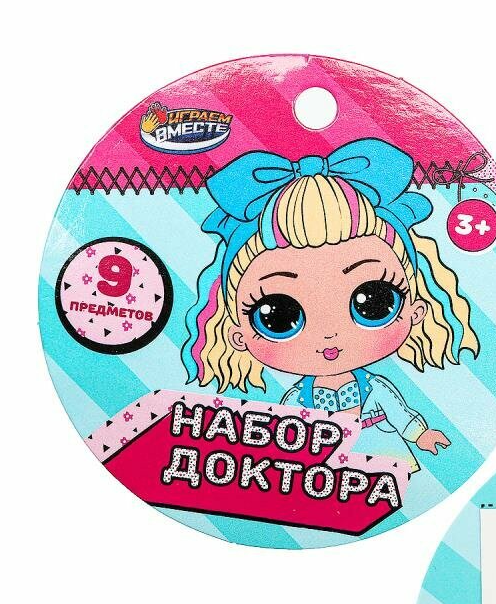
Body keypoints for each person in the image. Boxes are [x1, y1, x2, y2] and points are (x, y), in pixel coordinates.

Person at [181, 138, 478, 473]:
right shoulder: (296, 400)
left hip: (384, 458)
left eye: (373, 303)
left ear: (415, 310)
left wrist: (421, 435)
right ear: (237, 334)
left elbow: (400, 414)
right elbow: (287, 436)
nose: (329, 334)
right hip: (322, 474)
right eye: (279, 316)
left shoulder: (375, 389)